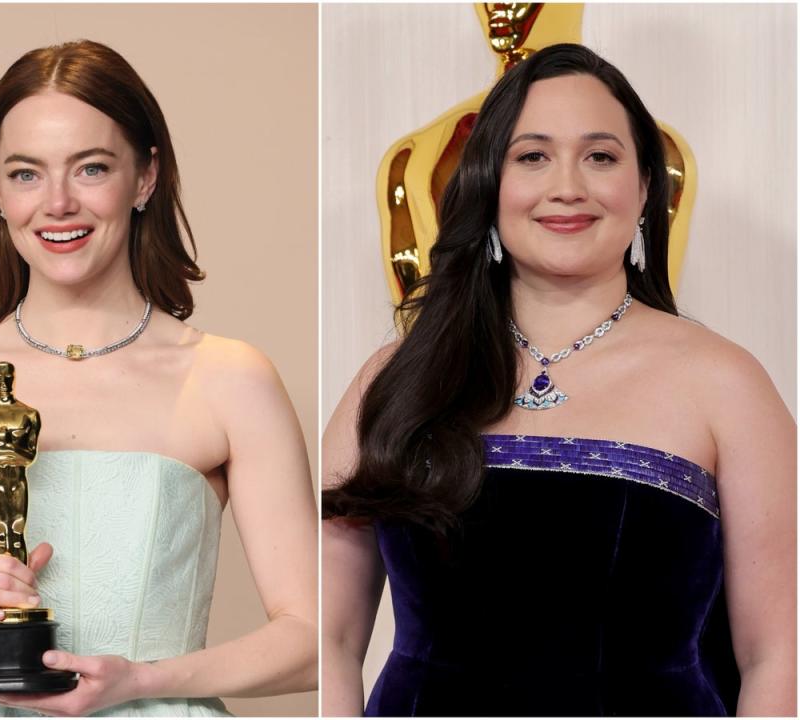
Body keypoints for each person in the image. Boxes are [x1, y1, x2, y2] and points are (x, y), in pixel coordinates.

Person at [322, 43, 795, 716]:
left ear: (645, 189)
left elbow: (778, 654)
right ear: (489, 181)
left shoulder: (727, 382)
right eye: (532, 156)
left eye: (600, 156)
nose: (567, 185)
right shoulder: (397, 376)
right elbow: (330, 637)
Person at [0, 39, 317, 716]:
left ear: (145, 177)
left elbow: (313, 637)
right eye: (26, 174)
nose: (57, 203)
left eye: (91, 168)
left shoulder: (228, 378)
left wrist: (144, 680)